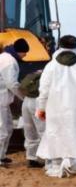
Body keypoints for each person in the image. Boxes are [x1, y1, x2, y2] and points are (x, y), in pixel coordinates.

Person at [36, 35, 76, 178]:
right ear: (75, 47)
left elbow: (43, 88)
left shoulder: (51, 65)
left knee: (55, 133)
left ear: (59, 45)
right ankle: (71, 164)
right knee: (74, 134)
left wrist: (41, 107)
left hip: (55, 106)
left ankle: (57, 166)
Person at [0, 38, 29, 166]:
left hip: (4, 100)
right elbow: (12, 83)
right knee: (3, 130)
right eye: (25, 52)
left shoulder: (5, 56)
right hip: (1, 99)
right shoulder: (10, 62)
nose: (25, 55)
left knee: (8, 127)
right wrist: (24, 96)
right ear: (20, 51)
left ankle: (2, 155)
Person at [19, 71, 45, 168]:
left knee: (29, 131)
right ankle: (47, 158)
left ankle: (32, 158)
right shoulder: (49, 73)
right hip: (39, 105)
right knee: (43, 130)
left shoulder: (35, 73)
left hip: (26, 102)